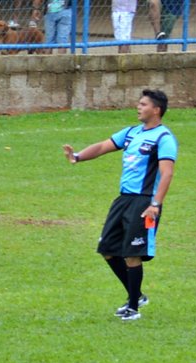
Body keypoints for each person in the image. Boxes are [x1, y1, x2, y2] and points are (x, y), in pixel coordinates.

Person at [62, 89, 176, 321]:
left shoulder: (164, 138)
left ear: (156, 110)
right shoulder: (132, 133)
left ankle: (133, 308)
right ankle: (137, 295)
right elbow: (104, 146)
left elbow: (166, 174)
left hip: (144, 202)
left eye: (143, 104)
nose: (138, 107)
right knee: (107, 249)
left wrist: (155, 204)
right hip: (123, 200)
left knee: (132, 254)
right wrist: (78, 156)